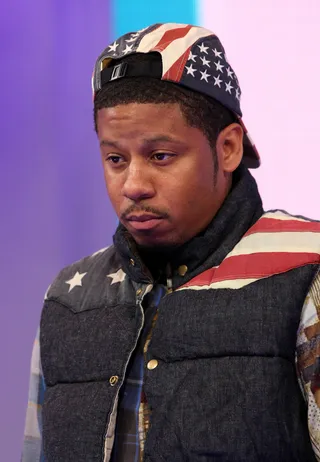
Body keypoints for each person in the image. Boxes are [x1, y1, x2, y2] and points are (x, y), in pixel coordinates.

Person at [22, 22, 320, 462]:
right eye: (115, 159)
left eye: (161, 156)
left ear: (229, 148)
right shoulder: (70, 297)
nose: (134, 184)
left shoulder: (304, 269)